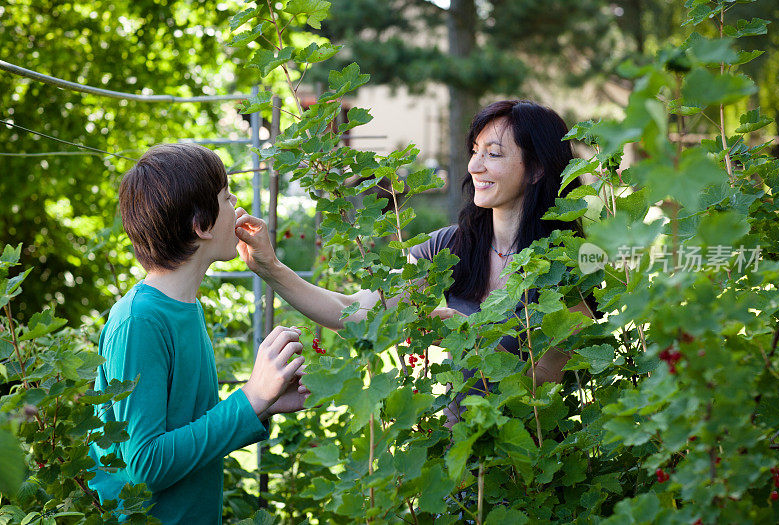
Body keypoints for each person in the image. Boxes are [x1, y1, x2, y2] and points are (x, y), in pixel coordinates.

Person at [235, 100, 593, 422]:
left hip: (532, 469)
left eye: (493, 154)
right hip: (460, 462)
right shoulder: (450, 245)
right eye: (474, 151)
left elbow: (546, 382)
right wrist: (271, 267)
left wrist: (468, 337)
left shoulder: (564, 264)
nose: (474, 166)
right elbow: (358, 313)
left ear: (536, 169)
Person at [88, 144, 309, 524]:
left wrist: (265, 404)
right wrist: (249, 398)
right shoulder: (139, 321)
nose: (236, 202)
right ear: (201, 226)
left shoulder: (186, 307)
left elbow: (188, 431)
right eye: (226, 196)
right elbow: (145, 464)